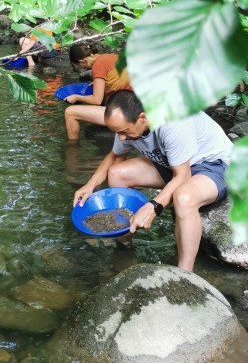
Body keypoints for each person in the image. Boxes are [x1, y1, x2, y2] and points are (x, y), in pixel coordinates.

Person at [73, 90, 232, 272]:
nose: (121, 138)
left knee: (183, 198)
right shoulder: (128, 125)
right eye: (118, 132)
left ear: (142, 118)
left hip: (214, 164)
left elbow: (183, 176)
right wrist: (90, 185)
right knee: (116, 173)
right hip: (173, 163)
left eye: (124, 131)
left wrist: (153, 206)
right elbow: (115, 156)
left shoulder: (172, 121)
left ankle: (185, 274)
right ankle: (124, 242)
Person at [64, 43, 132, 141]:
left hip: (126, 114)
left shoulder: (98, 66)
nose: (82, 68)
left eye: (80, 66)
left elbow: (96, 100)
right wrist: (101, 83)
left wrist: (76, 97)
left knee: (70, 112)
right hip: (137, 105)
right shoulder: (112, 56)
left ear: (82, 61)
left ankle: (72, 147)